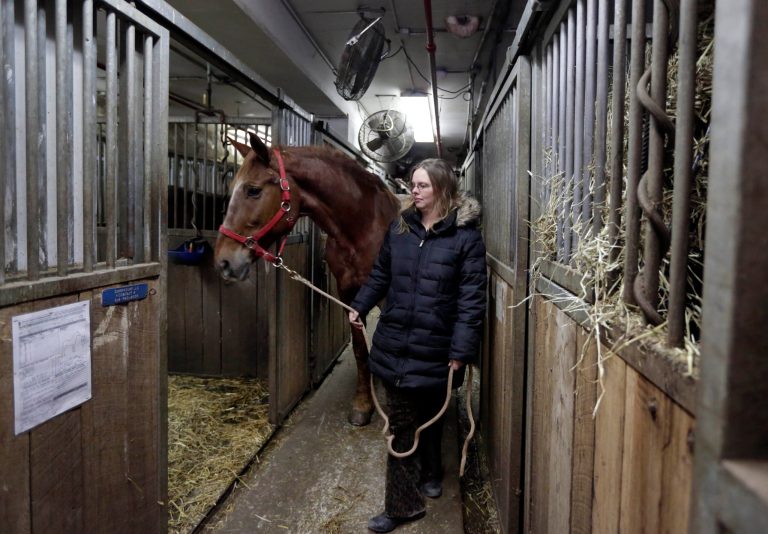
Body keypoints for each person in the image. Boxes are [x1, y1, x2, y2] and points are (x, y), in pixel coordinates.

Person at [348, 158, 487, 532]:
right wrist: (360, 305)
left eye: (423, 185)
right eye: (413, 184)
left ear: (442, 190)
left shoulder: (466, 239)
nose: (415, 190)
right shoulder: (400, 229)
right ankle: (402, 505)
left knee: (433, 415)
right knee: (401, 427)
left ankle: (432, 471)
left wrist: (461, 351)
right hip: (396, 343)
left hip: (439, 348)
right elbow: (380, 274)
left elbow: (471, 300)